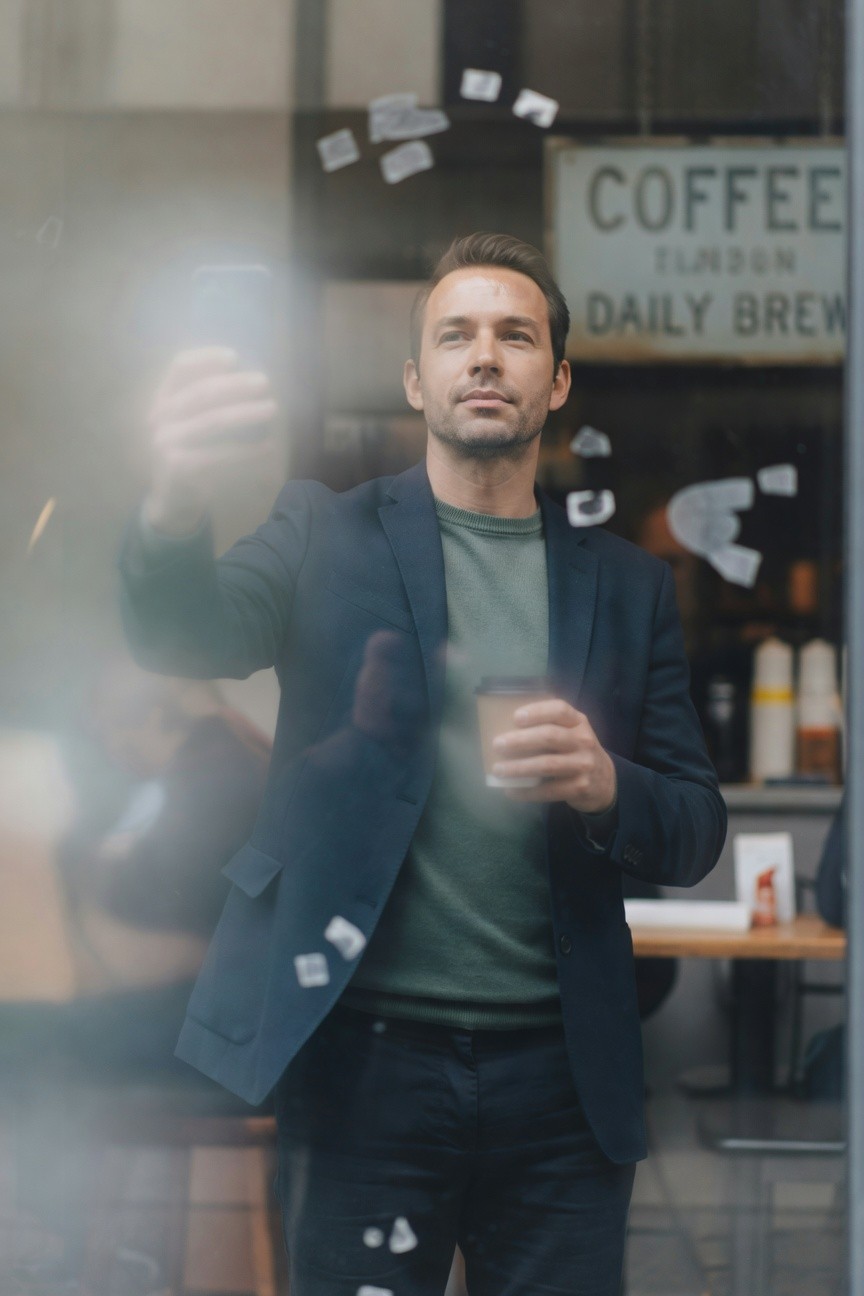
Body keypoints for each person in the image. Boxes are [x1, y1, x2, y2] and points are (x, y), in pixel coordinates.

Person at [118, 233, 727, 1295]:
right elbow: (187, 636)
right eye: (457, 335)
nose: (485, 356)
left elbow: (693, 824)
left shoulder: (628, 587)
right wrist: (171, 505)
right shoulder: (321, 532)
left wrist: (607, 785)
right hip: (365, 1064)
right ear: (417, 378)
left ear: (558, 379)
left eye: (515, 336)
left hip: (562, 1084)